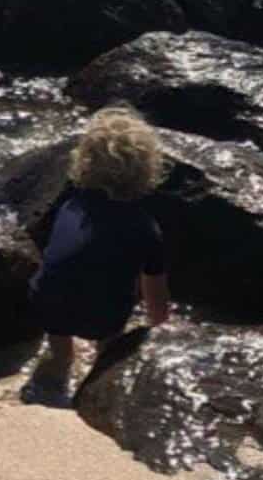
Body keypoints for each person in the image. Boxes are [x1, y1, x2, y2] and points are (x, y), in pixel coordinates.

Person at [25, 105, 171, 395]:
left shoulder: (71, 206)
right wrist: (161, 336)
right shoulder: (145, 228)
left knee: (61, 332)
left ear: (83, 163)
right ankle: (102, 370)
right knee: (109, 342)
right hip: (104, 313)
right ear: (149, 170)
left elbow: (59, 254)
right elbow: (156, 300)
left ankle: (59, 364)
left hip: (47, 300)